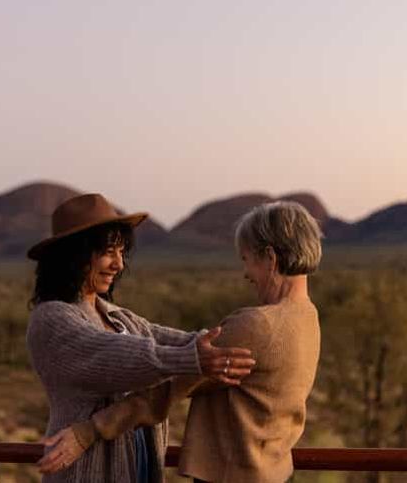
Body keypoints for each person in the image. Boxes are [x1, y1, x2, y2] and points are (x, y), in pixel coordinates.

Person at [38, 201, 323, 483]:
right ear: (76, 254)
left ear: (270, 258)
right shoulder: (52, 317)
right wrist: (195, 357)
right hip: (85, 466)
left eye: (121, 252)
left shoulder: (117, 315)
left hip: (169, 467)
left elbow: (173, 347)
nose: (119, 264)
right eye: (108, 252)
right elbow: (112, 355)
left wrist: (212, 346)